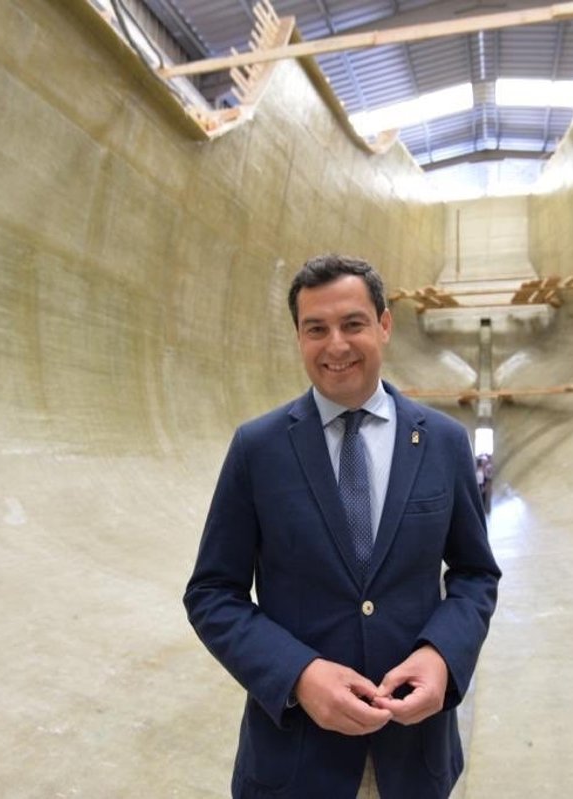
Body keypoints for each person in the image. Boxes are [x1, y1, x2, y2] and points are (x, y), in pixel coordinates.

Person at [184, 254, 501, 799]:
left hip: (414, 757)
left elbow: (475, 574)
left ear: (384, 325)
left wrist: (441, 656)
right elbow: (212, 593)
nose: (336, 345)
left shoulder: (444, 442)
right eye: (316, 329)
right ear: (298, 337)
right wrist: (299, 674)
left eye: (353, 323)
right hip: (296, 762)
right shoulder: (258, 449)